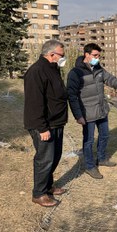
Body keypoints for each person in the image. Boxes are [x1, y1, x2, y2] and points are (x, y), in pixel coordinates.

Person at [67, 43, 117, 179]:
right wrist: (78, 115)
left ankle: (102, 158)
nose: (98, 58)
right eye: (95, 55)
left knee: (104, 136)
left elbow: (110, 79)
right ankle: (90, 166)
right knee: (89, 141)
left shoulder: (98, 68)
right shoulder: (75, 73)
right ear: (87, 54)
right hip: (87, 113)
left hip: (102, 110)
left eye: (99, 55)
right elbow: (71, 96)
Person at [24, 40, 68, 207]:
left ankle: (48, 186)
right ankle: (39, 193)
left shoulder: (53, 68)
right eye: (61, 55)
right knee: (44, 159)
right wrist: (42, 128)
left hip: (56, 122)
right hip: (43, 125)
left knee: (54, 157)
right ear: (51, 55)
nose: (63, 59)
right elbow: (34, 103)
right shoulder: (36, 71)